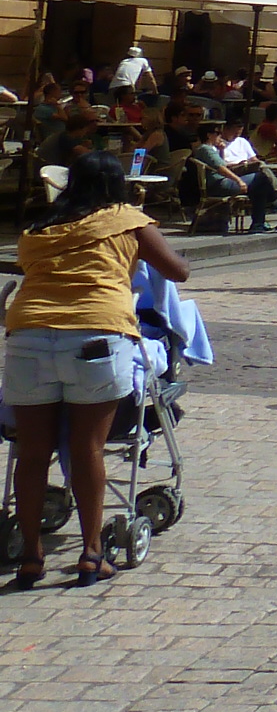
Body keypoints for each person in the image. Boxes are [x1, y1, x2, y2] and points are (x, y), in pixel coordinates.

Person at [5, 152, 191, 586]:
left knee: (31, 454)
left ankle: (30, 556)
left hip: (28, 335)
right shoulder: (126, 219)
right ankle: (91, 554)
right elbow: (177, 270)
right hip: (95, 334)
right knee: (88, 448)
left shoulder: (38, 226)